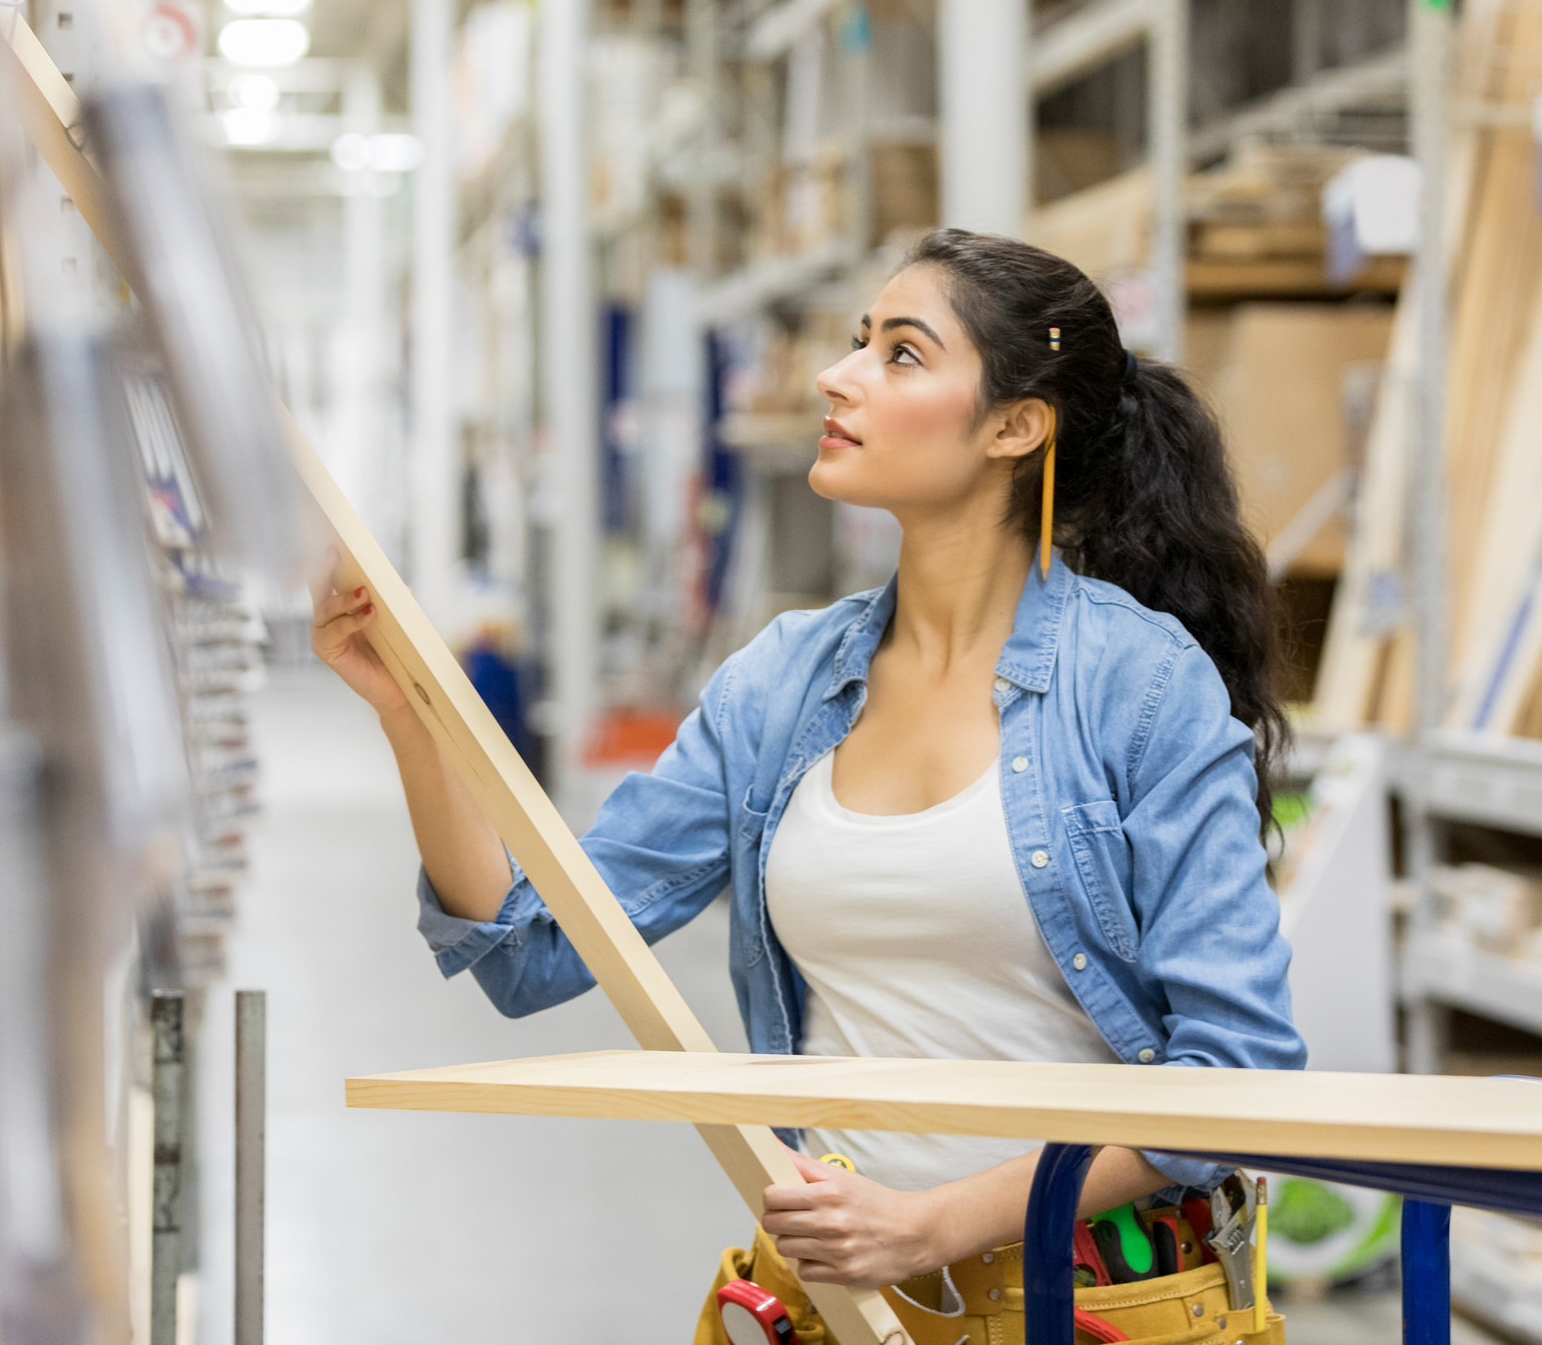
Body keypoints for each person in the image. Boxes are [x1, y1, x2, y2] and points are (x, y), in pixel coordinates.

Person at [310, 228, 1303, 1301]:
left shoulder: (1142, 687)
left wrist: (931, 1225)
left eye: (902, 354)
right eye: (858, 341)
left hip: (1083, 1304)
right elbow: (530, 952)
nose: (839, 374)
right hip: (848, 1307)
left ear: (1017, 426)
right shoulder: (780, 684)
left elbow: (1236, 1080)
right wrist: (405, 707)